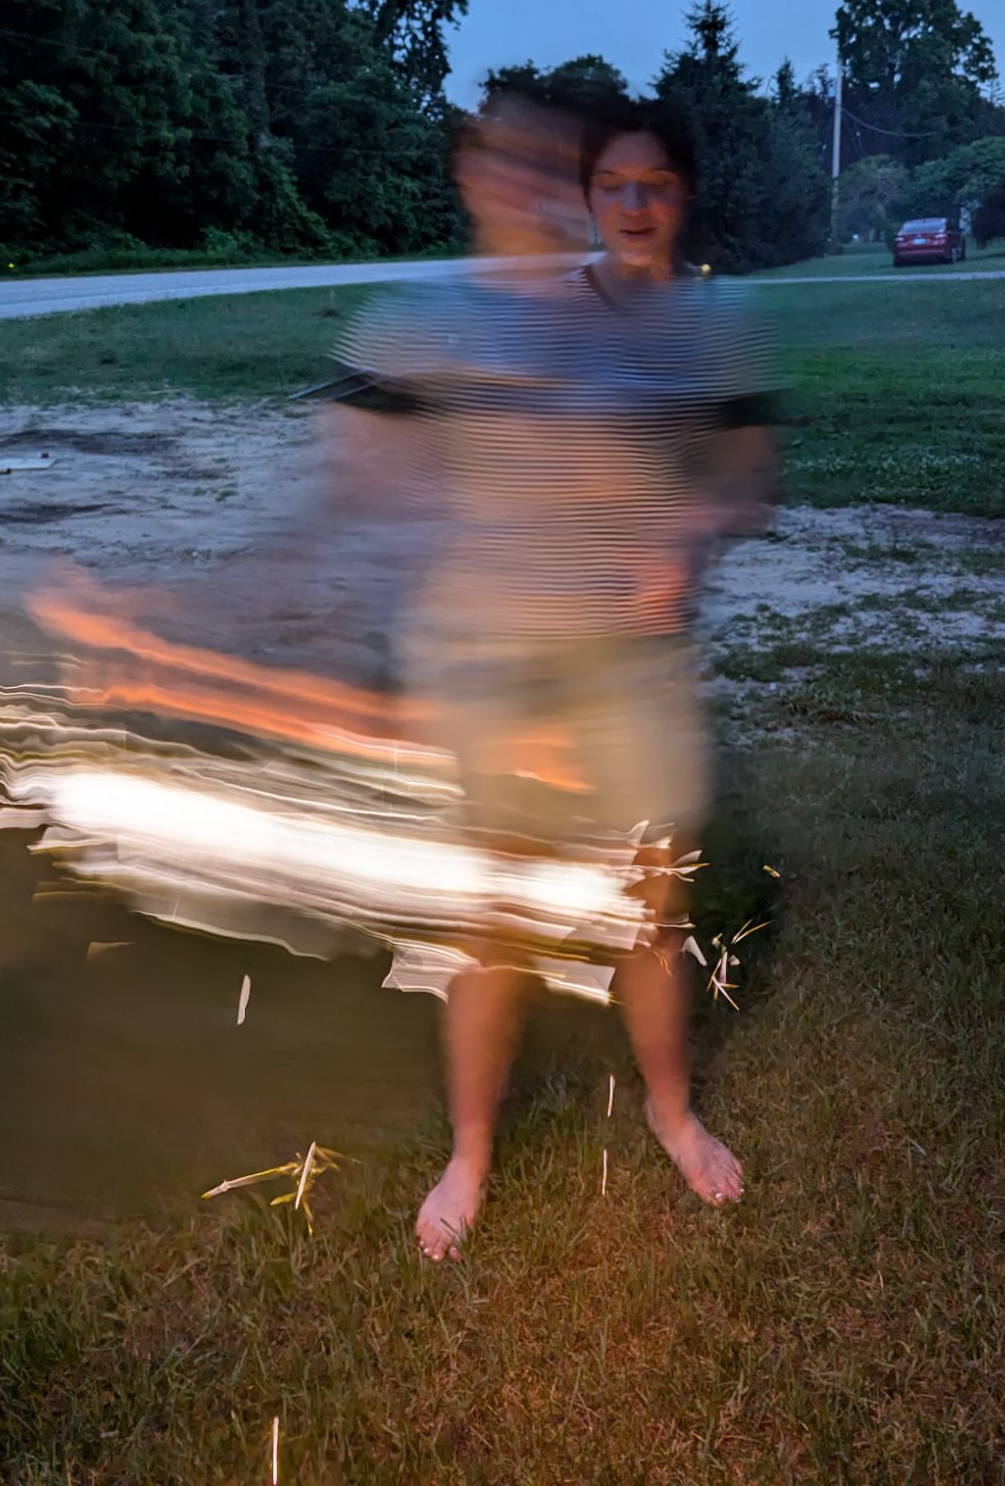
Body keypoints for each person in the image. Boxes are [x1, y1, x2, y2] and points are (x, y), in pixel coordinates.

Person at [327, 89, 779, 1260]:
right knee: (490, 921)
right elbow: (391, 463)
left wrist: (684, 530)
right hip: (498, 661)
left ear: (683, 196)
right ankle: (471, 1150)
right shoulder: (499, 315)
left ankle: (672, 1112)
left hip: (631, 662)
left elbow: (746, 478)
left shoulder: (697, 322)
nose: (632, 205)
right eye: (609, 184)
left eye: (655, 184)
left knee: (649, 905)